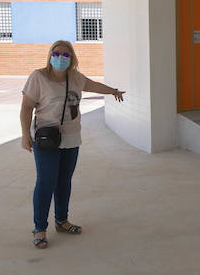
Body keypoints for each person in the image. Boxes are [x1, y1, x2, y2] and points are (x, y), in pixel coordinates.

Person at [19, 40, 124, 248]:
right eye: (56, 53)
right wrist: (25, 134)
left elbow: (94, 85)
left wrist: (114, 91)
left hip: (71, 138)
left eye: (66, 55)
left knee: (64, 181)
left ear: (72, 59)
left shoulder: (76, 77)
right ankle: (39, 228)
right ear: (50, 55)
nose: (60, 58)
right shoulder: (38, 77)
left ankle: (62, 221)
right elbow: (26, 107)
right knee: (46, 182)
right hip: (46, 139)